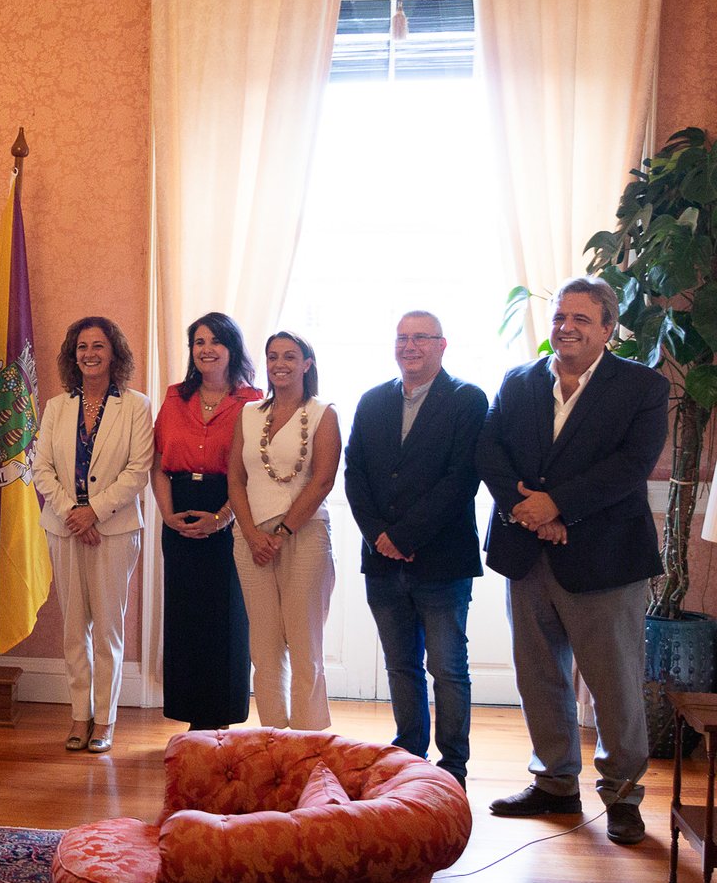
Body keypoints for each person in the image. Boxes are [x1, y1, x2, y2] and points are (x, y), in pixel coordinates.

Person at [477, 276, 668, 846]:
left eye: (582, 319)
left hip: (607, 559)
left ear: (609, 328)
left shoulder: (642, 387)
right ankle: (555, 784)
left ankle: (623, 796)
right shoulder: (519, 381)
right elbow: (490, 451)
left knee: (614, 685)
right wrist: (529, 511)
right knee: (539, 676)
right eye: (561, 317)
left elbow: (630, 466)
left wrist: (558, 505)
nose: (566, 328)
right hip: (527, 553)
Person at [344, 311, 486, 786]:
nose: (409, 346)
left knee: (447, 668)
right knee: (401, 666)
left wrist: (403, 537)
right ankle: (409, 756)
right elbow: (355, 475)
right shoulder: (372, 400)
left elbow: (460, 481)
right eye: (402, 338)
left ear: (442, 345)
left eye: (420, 338)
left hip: (442, 562)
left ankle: (453, 768)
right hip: (381, 562)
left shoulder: (467, 400)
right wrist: (379, 537)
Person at [32, 316, 153, 754]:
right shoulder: (56, 406)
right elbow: (40, 467)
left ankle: (105, 720)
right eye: (82, 347)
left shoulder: (136, 406)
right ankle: (78, 716)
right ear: (72, 355)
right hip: (64, 530)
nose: (90, 354)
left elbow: (138, 470)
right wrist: (71, 512)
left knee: (107, 630)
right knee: (72, 630)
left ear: (114, 353)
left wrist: (95, 512)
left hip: (114, 531)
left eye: (98, 346)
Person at [150, 312, 261, 729]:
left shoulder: (252, 402)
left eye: (215, 341)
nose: (206, 348)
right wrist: (167, 515)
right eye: (198, 341)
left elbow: (250, 473)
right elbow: (158, 464)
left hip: (230, 510)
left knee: (227, 616)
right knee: (183, 615)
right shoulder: (175, 397)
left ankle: (220, 719)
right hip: (177, 507)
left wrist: (222, 517)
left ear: (232, 349)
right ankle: (190, 717)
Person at [226, 331, 340, 731]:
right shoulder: (248, 414)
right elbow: (235, 480)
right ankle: (273, 737)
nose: (280, 364)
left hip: (304, 538)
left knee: (304, 643)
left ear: (307, 364)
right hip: (251, 539)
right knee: (265, 647)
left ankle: (308, 741)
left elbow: (323, 480)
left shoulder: (324, 413)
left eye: (290, 356)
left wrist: (282, 533)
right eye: (273, 356)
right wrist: (253, 536)